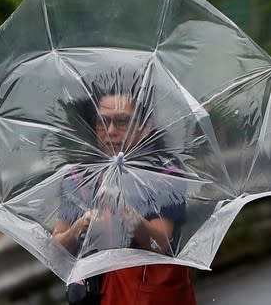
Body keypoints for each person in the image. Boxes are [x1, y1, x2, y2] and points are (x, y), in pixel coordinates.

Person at [52, 83, 197, 305]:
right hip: (98, 294)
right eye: (103, 122)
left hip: (151, 294)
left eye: (121, 121)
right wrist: (79, 228)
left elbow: (160, 243)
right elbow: (57, 247)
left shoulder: (165, 172)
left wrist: (125, 214)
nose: (110, 131)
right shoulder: (79, 178)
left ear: (145, 126)